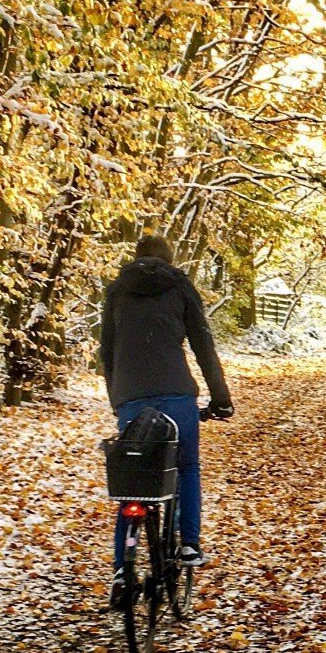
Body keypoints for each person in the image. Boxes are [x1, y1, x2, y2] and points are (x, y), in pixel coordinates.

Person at [99, 235, 233, 602]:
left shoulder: (117, 290)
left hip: (131, 399)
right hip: (176, 394)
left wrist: (118, 400)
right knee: (187, 466)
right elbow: (203, 344)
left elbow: (106, 351)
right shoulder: (179, 286)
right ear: (169, 259)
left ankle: (122, 571)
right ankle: (189, 544)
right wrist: (220, 398)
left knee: (133, 480)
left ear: (136, 256)